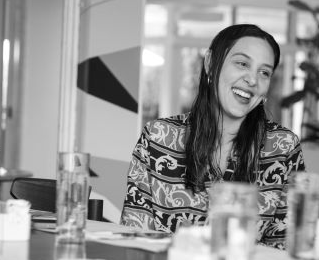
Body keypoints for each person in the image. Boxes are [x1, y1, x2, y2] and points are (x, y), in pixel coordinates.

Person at [120, 23, 305, 246]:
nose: (252, 80)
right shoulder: (158, 138)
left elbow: (286, 248)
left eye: (264, 72)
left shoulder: (283, 147)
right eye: (242, 63)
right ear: (210, 63)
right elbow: (134, 237)